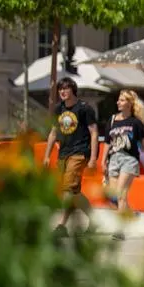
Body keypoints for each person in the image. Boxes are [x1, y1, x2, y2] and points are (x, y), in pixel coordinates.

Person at [42, 78, 98, 236]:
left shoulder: (84, 108)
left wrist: (93, 158)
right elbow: (53, 133)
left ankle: (62, 225)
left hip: (80, 152)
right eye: (60, 89)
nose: (62, 92)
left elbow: (94, 133)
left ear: (73, 90)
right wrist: (47, 156)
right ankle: (93, 220)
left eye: (65, 88)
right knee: (72, 191)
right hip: (63, 153)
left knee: (68, 190)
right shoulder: (58, 109)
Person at [104, 90, 144, 238]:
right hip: (113, 160)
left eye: (121, 100)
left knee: (120, 195)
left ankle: (119, 230)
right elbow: (108, 142)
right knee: (115, 197)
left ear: (129, 103)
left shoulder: (135, 123)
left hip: (129, 160)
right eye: (118, 100)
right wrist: (103, 161)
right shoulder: (112, 120)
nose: (118, 102)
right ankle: (131, 214)